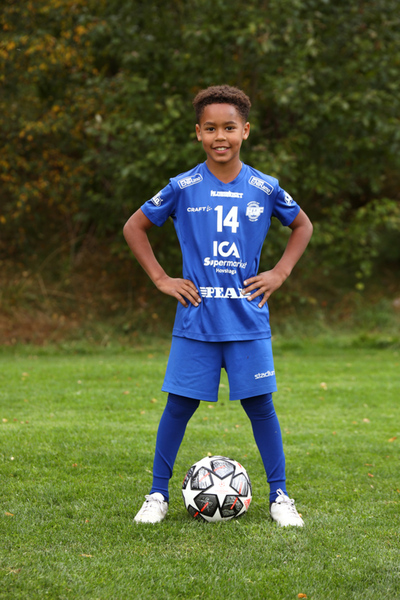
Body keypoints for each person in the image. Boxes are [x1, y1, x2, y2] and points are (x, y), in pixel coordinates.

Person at [123, 85, 313, 526]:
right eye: (210, 129)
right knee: (178, 406)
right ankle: (156, 495)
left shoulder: (264, 187)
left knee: (261, 407)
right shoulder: (183, 186)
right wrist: (161, 278)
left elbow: (302, 225)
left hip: (247, 318)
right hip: (197, 318)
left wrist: (280, 272)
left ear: (245, 131)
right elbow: (135, 226)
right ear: (198, 133)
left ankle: (280, 497)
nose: (220, 136)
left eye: (229, 127)